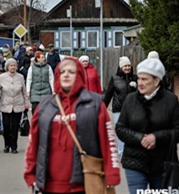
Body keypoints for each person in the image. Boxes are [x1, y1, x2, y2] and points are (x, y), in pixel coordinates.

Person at [24, 57, 120, 193]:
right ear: (57, 76)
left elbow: (108, 141)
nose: (66, 75)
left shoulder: (94, 103)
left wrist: (112, 173)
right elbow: (33, 142)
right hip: (49, 186)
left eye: (71, 71)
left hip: (83, 185)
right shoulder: (45, 106)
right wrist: (30, 173)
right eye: (62, 72)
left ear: (79, 75)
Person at [115, 58, 179, 194]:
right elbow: (120, 128)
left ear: (157, 80)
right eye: (139, 78)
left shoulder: (170, 100)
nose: (140, 83)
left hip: (162, 164)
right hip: (134, 162)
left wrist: (156, 138)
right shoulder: (130, 100)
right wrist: (140, 138)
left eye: (144, 79)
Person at [103, 56, 137, 157]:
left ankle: (131, 152)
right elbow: (108, 94)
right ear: (121, 67)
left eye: (128, 66)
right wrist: (102, 108)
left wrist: (135, 87)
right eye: (125, 66)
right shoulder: (114, 78)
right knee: (121, 132)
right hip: (118, 109)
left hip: (132, 110)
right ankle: (122, 153)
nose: (127, 68)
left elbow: (140, 94)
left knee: (131, 132)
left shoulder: (135, 78)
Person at [0, 58, 29, 154]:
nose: (13, 67)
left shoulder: (20, 77)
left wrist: (27, 104)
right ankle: (7, 145)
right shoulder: (2, 77)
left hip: (18, 104)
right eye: (11, 65)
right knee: (6, 126)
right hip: (6, 104)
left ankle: (14, 146)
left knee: (15, 127)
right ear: (7, 67)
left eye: (14, 65)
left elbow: (24, 91)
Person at [26, 51, 54, 115]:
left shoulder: (48, 67)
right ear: (37, 58)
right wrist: (28, 91)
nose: (43, 58)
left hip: (46, 91)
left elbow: (51, 79)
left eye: (44, 57)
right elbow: (29, 79)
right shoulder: (31, 68)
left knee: (46, 111)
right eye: (41, 57)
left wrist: (53, 90)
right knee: (35, 110)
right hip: (35, 92)